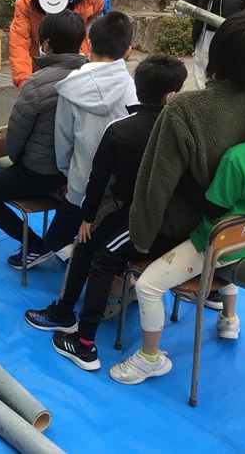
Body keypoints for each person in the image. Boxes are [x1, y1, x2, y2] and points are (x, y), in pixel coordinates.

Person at [110, 78, 245, 384]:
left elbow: (213, 209)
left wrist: (181, 179)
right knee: (228, 244)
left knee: (147, 287)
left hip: (212, 248)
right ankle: (229, 319)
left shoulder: (237, 158)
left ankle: (150, 358)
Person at [24, 54, 188, 370]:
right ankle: (64, 312)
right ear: (171, 95)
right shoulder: (179, 130)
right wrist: (90, 219)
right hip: (145, 212)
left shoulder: (122, 129)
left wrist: (86, 217)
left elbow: (97, 178)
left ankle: (84, 343)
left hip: (148, 218)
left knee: (99, 256)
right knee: (86, 245)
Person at [12, 11, 138, 269]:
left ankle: (80, 263)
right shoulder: (132, 87)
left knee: (56, 240)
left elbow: (64, 141)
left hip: (80, 185)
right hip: (121, 190)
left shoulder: (71, 87)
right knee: (102, 237)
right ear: (128, 50)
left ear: (89, 43)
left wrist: (70, 176)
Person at [0, 10, 87, 260]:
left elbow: (16, 137)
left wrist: (21, 163)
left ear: (47, 44)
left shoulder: (36, 83)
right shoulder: (92, 76)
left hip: (40, 172)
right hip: (79, 173)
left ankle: (36, 244)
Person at [10, 0, 104, 89]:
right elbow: (18, 43)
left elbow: (97, 9)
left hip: (75, 65)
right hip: (40, 67)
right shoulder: (26, 3)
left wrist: (78, 29)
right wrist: (24, 82)